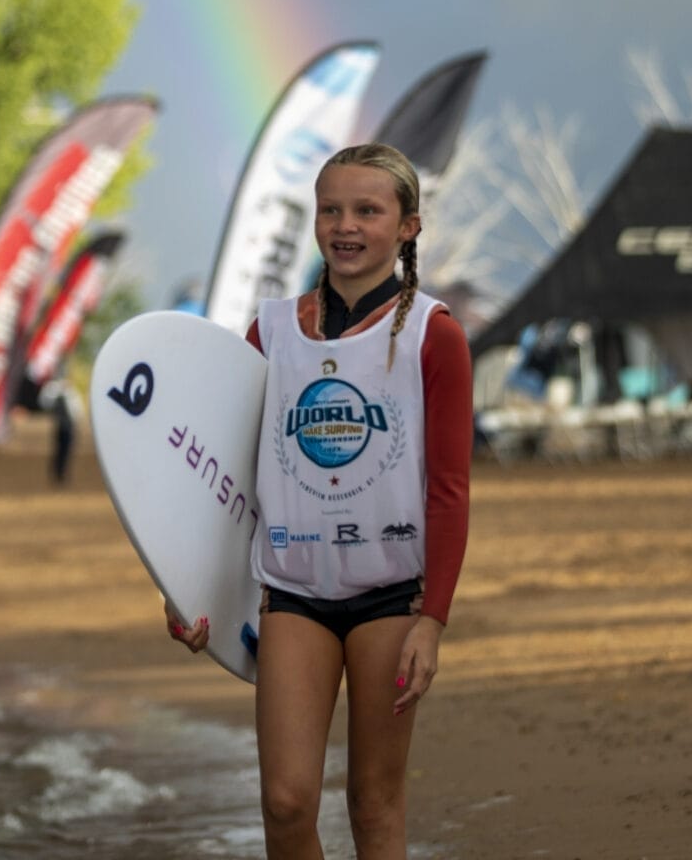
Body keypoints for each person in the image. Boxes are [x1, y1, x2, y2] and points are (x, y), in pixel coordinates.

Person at [165, 143, 473, 858]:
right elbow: (228, 474)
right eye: (331, 209)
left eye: (368, 210)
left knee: (373, 805)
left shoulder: (436, 335)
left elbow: (450, 490)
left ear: (408, 228)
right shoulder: (268, 331)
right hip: (293, 597)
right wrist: (185, 584)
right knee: (285, 802)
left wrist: (434, 619)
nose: (346, 225)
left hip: (390, 600)